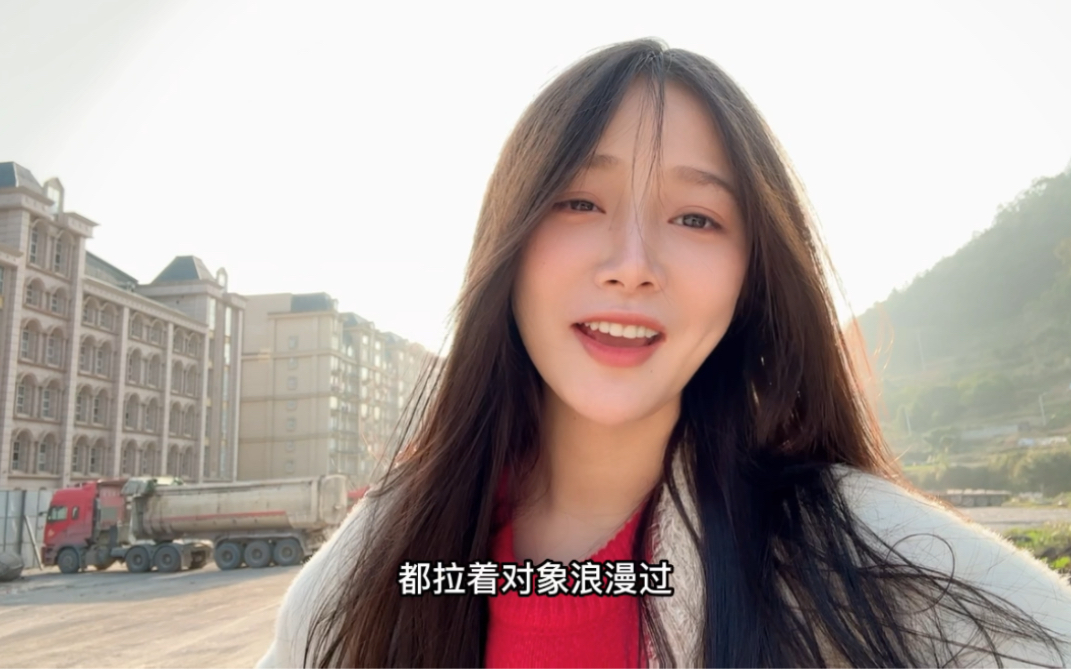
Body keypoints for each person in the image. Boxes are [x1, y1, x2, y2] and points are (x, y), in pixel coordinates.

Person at [257, 39, 1071, 668]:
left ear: (750, 277)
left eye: (695, 219)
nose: (632, 264)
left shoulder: (864, 557)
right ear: (508, 240)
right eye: (579, 202)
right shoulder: (380, 556)